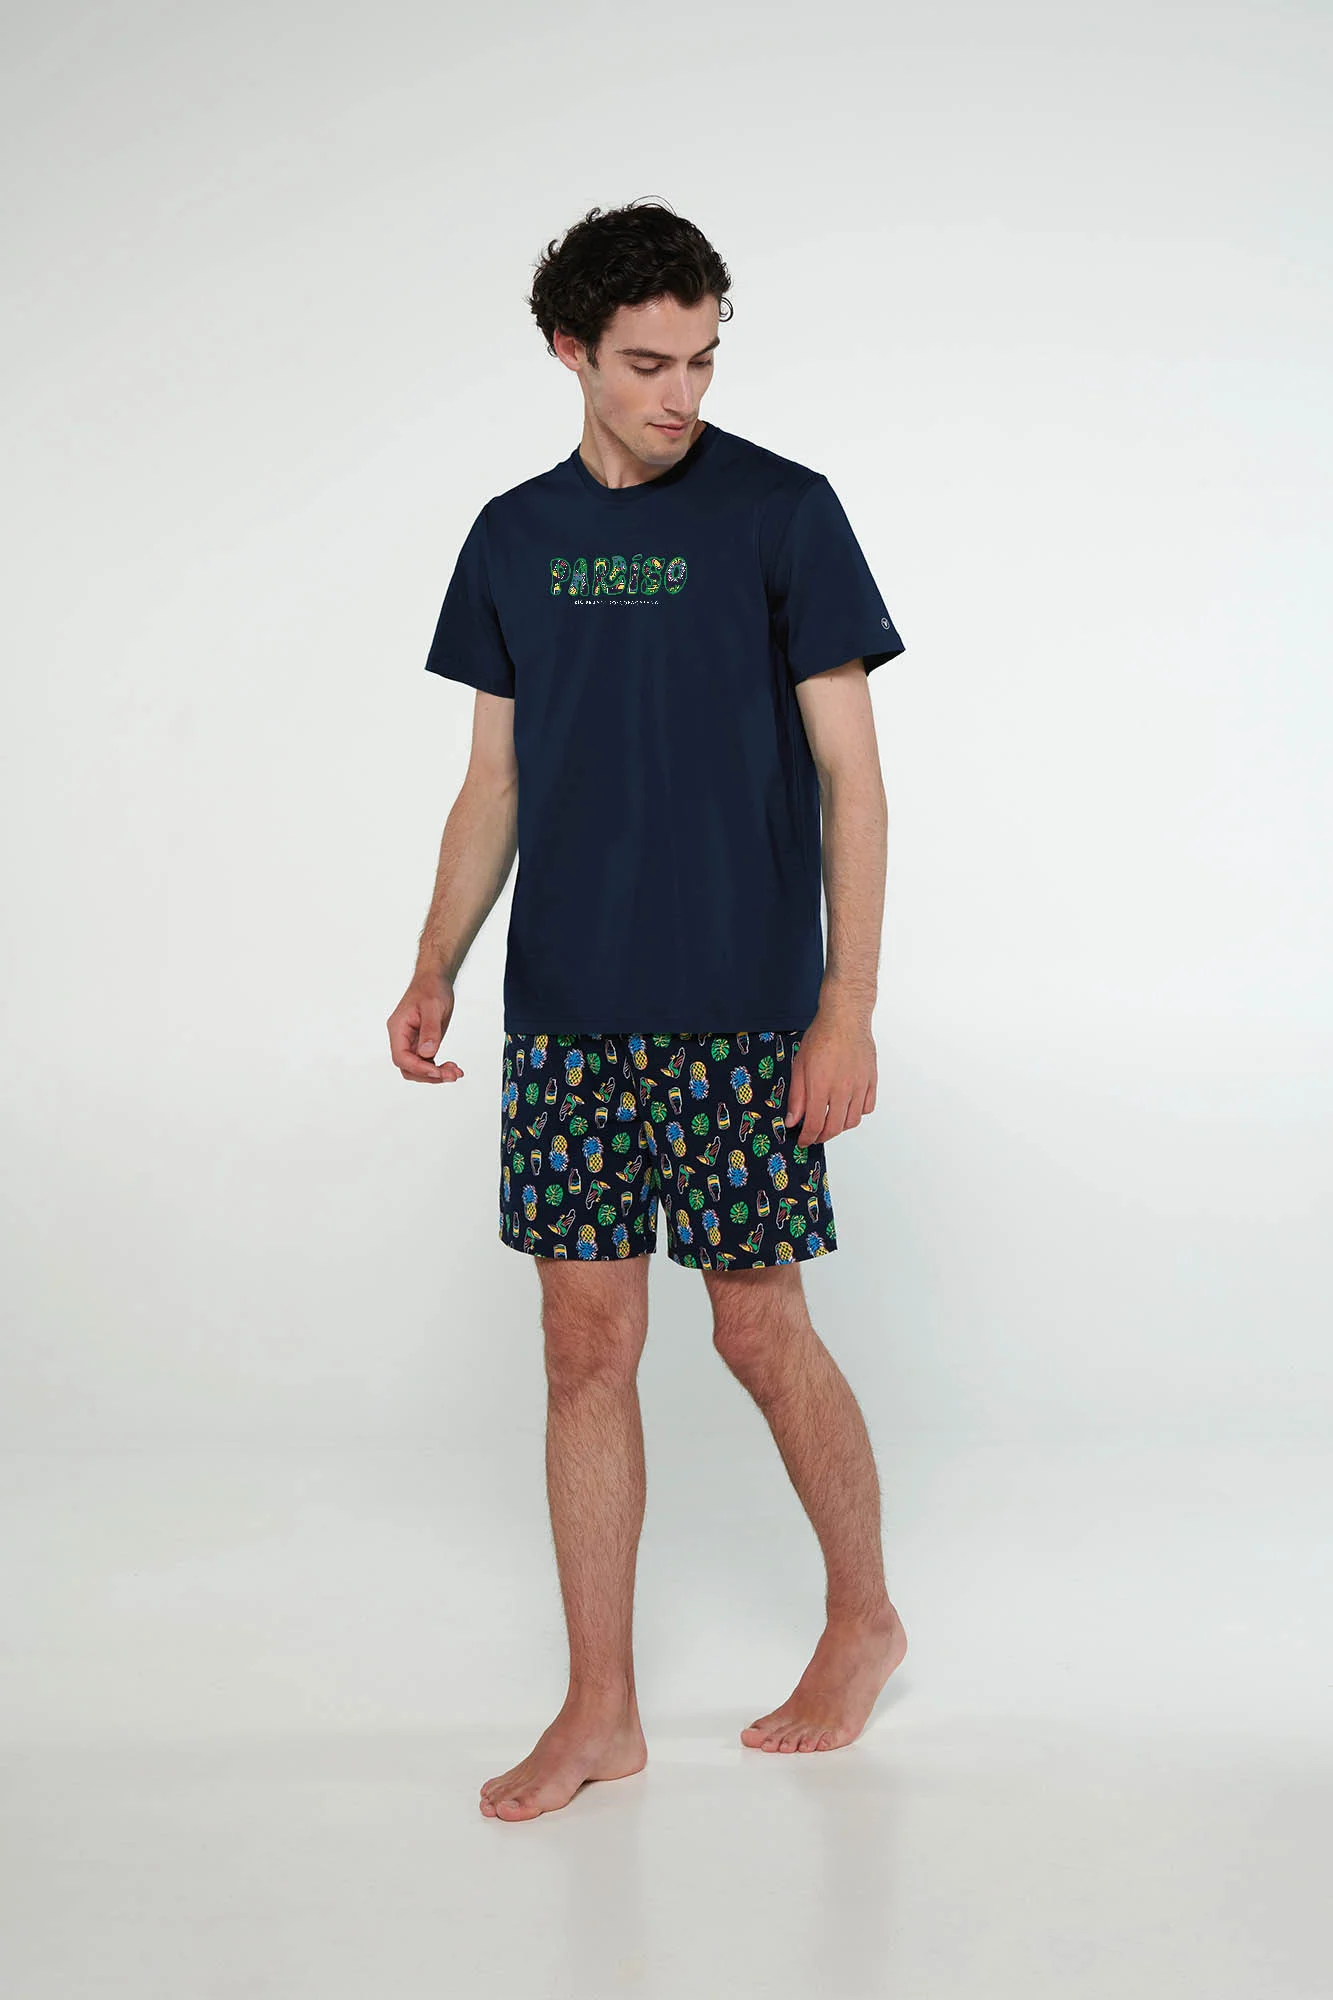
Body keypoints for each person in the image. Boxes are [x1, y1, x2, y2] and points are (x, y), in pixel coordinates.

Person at [387, 199, 910, 1823]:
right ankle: (600, 1707)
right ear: (570, 352)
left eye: (701, 360)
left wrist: (846, 1007)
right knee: (582, 1348)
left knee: (758, 1328)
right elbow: (494, 783)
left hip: (745, 1010)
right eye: (645, 364)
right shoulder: (514, 537)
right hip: (569, 1012)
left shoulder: (782, 513)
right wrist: (434, 963)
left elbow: (854, 780)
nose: (680, 393)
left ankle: (863, 1620)